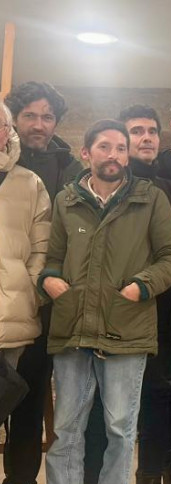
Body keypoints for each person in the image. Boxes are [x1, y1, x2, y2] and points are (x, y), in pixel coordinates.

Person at [26, 119, 171, 484]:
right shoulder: (67, 200)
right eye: (105, 147)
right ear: (87, 153)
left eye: (121, 147)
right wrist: (50, 279)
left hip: (126, 329)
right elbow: (52, 255)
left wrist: (142, 285)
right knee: (67, 427)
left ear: (128, 154)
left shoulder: (149, 200)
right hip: (73, 328)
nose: (114, 155)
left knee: (119, 426)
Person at [2, 82, 82, 484]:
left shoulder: (67, 170)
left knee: (28, 402)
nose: (39, 124)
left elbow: (54, 242)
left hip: (39, 307)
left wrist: (40, 292)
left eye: (47, 116)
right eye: (30, 115)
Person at [118, 104, 171, 484]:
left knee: (159, 399)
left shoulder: (169, 189)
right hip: (113, 310)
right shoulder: (100, 186)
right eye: (136, 131)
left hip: (159, 311)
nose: (146, 138)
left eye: (151, 131)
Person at [0, 104, 51, 371]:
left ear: (7, 132)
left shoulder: (31, 183)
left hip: (12, 313)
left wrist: (31, 289)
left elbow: (41, 246)